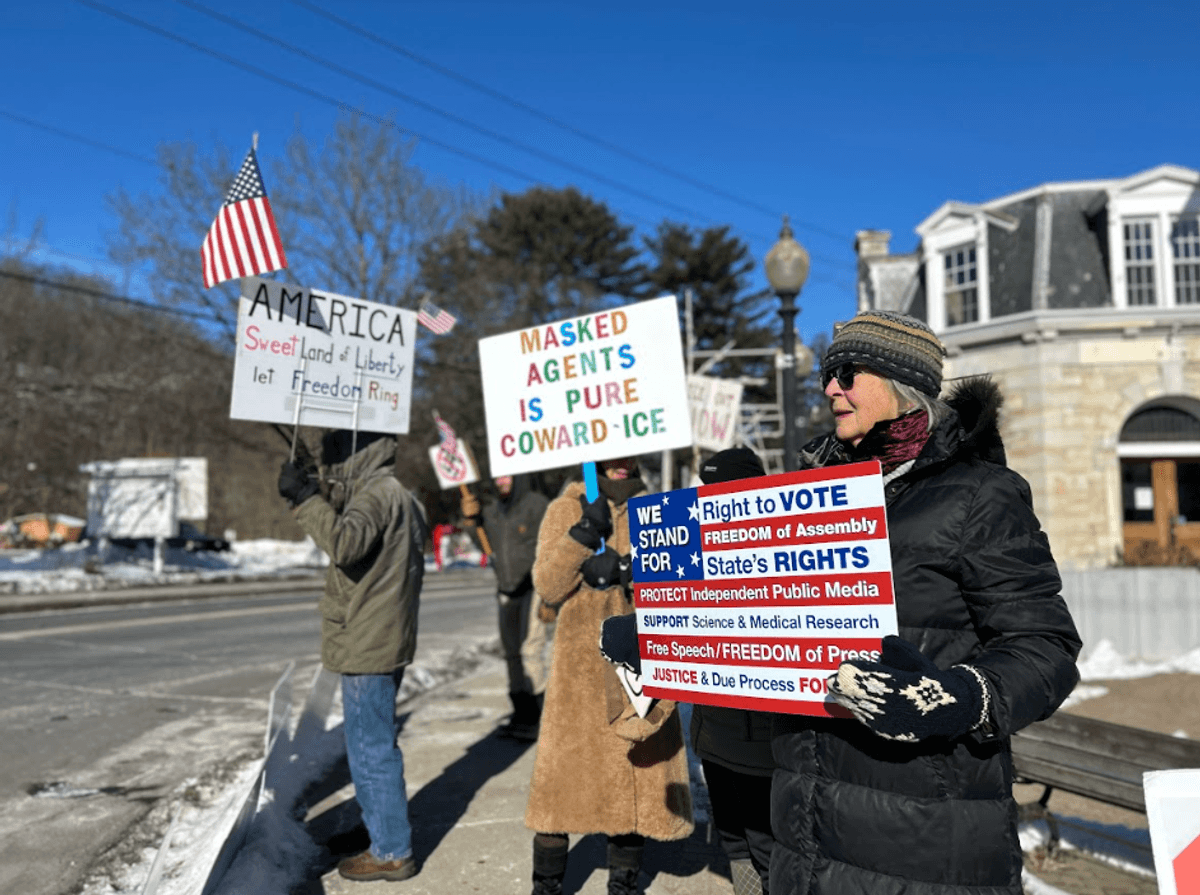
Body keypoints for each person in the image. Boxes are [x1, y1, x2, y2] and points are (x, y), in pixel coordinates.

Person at [770, 310, 1082, 895]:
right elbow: (766, 629)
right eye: (825, 375)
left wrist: (961, 697)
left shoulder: (979, 494)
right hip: (808, 833)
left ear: (902, 382)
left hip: (924, 839)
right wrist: (669, 638)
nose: (830, 388)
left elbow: (1046, 647)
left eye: (847, 372)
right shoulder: (811, 500)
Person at [525, 457, 693, 895]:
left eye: (629, 456)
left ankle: (624, 881)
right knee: (561, 785)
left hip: (636, 657)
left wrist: (633, 574)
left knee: (634, 769)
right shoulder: (565, 508)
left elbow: (679, 585)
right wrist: (581, 537)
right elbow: (547, 585)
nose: (622, 464)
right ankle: (547, 885)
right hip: (578, 670)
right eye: (614, 456)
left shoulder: (657, 508)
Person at [277, 429, 427, 883]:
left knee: (369, 748)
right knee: (372, 743)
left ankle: (391, 850)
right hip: (382, 636)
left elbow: (346, 542)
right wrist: (313, 485)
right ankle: (379, 827)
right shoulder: (393, 494)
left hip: (369, 641)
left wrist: (306, 499)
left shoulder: (377, 496)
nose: (331, 463)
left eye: (336, 453)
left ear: (357, 453)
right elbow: (359, 534)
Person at [690, 447, 775, 895]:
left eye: (723, 490)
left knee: (768, 846)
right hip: (713, 731)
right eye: (707, 491)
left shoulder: (779, 549)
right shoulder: (693, 548)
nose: (713, 501)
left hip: (760, 737)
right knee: (735, 842)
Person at [460, 473, 552, 741]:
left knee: (530, 651)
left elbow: (551, 548)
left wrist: (550, 596)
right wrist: (471, 521)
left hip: (533, 588)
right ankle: (522, 714)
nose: (501, 482)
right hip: (505, 590)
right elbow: (483, 544)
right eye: (498, 478)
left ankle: (541, 717)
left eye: (507, 477)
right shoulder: (492, 511)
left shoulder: (537, 505)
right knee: (511, 653)